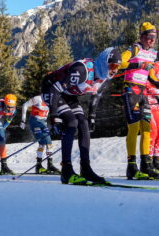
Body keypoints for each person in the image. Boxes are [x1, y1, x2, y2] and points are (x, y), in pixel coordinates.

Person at [41, 47, 121, 185]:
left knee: (83, 124)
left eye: (117, 67)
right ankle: (66, 170)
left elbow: (96, 96)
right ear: (103, 62)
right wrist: (53, 116)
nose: (114, 70)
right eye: (112, 65)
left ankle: (86, 168)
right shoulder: (82, 71)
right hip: (51, 89)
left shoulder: (103, 76)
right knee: (71, 122)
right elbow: (55, 89)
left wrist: (92, 116)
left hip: (69, 95)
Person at [120, 22, 159, 179]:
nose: (152, 40)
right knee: (134, 128)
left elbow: (152, 76)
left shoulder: (154, 53)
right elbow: (120, 62)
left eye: (154, 37)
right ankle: (131, 166)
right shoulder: (135, 48)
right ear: (142, 37)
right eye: (149, 37)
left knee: (147, 129)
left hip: (143, 92)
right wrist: (138, 63)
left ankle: (146, 165)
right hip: (130, 90)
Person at [20, 95, 60, 174]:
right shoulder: (38, 98)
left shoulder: (53, 99)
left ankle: (49, 165)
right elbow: (25, 105)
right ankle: (39, 165)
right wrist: (23, 121)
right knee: (42, 141)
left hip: (43, 123)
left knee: (48, 143)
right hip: (34, 122)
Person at [145, 61, 159, 172]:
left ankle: (156, 159)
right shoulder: (156, 65)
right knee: (153, 131)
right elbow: (147, 80)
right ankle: (147, 160)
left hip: (157, 103)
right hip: (150, 101)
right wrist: (157, 93)